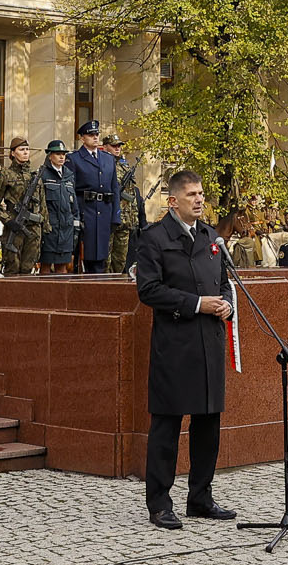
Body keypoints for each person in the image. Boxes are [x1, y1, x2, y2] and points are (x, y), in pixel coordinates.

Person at [135, 169, 237, 530]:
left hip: (209, 343)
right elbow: (148, 290)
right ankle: (160, 504)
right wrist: (196, 304)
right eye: (192, 194)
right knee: (167, 426)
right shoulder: (154, 238)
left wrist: (226, 304)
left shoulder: (211, 237)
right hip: (175, 345)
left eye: (201, 194)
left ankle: (201, 498)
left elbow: (224, 283)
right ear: (173, 201)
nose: (199, 199)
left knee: (208, 424)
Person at [0, 137, 44, 276]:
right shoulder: (6, 174)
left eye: (27, 149)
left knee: (28, 269)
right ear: (13, 153)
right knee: (12, 268)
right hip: (14, 228)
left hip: (33, 231)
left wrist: (45, 226)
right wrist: (8, 220)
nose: (25, 152)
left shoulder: (34, 176)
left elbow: (43, 204)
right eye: (21, 149)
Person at [69, 121, 120, 274]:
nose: (95, 137)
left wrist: (116, 215)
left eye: (97, 134)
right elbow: (70, 190)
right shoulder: (74, 159)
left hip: (104, 212)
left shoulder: (108, 159)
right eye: (91, 135)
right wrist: (75, 216)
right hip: (85, 211)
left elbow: (114, 188)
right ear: (82, 138)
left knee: (101, 259)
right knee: (83, 258)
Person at [104, 133, 148, 274]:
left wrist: (134, 218)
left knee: (121, 258)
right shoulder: (103, 165)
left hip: (126, 218)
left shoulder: (124, 166)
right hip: (110, 217)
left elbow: (132, 194)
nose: (117, 148)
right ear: (105, 147)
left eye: (119, 146)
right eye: (114, 146)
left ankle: (115, 280)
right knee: (106, 258)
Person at [38, 140, 78, 273]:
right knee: (45, 268)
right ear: (50, 156)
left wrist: (76, 226)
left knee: (62, 269)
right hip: (49, 231)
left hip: (66, 230)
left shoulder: (69, 175)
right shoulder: (42, 175)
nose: (61, 157)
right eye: (57, 154)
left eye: (63, 154)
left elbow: (74, 206)